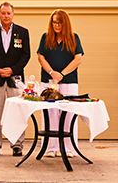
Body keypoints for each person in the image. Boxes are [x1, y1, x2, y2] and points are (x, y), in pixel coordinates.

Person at [0, 2, 30, 156]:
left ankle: (17, 145)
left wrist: (13, 70)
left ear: (13, 14)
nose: (6, 16)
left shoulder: (22, 32)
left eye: (8, 13)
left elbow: (26, 54)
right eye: (3, 13)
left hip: (15, 79)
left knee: (17, 113)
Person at [37, 9, 84, 158]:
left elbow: (78, 59)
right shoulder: (45, 37)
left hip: (69, 82)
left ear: (65, 23)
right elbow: (40, 57)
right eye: (54, 22)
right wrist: (52, 73)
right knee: (50, 113)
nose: (56, 25)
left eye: (59, 22)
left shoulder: (74, 38)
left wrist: (62, 74)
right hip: (49, 82)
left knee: (69, 114)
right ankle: (50, 148)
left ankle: (69, 148)